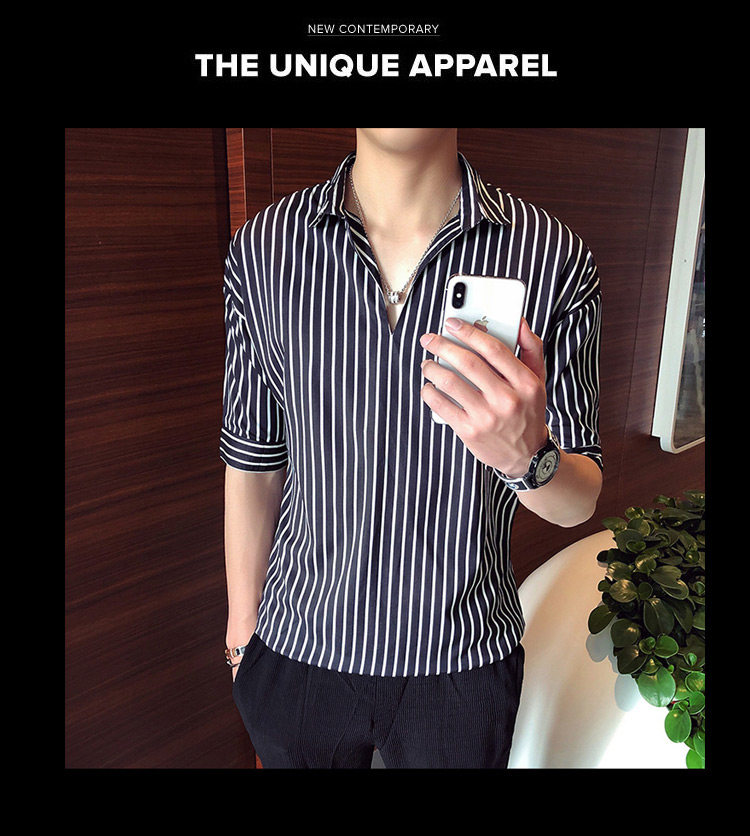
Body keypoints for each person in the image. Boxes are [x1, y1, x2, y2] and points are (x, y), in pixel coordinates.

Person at [221, 128, 603, 769]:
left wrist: (525, 457)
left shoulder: (552, 257)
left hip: (462, 663)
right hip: (294, 650)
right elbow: (253, 460)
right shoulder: (266, 248)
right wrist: (242, 639)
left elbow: (579, 500)